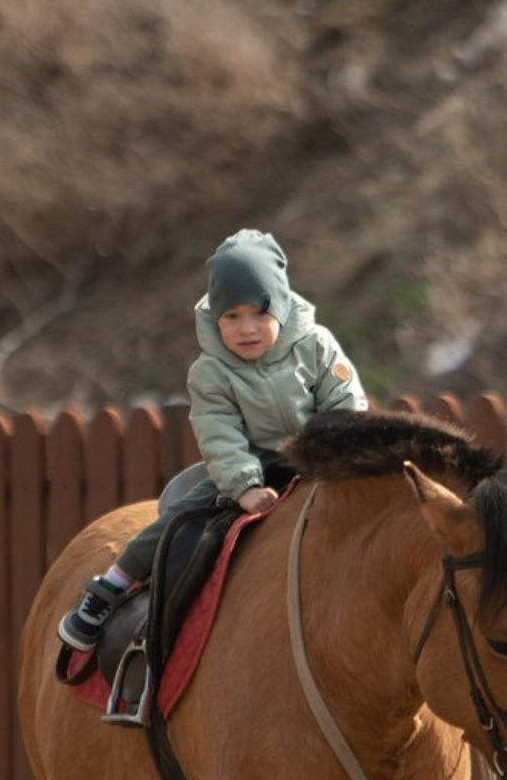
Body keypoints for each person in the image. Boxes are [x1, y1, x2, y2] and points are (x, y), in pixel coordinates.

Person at [58, 228, 367, 650]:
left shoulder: (315, 346)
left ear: (280, 306)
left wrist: (333, 454)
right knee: (179, 521)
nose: (247, 329)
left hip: (315, 457)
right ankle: (113, 584)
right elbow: (218, 431)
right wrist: (244, 485)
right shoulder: (211, 372)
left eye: (259, 313)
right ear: (214, 318)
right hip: (252, 464)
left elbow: (344, 401)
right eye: (231, 317)